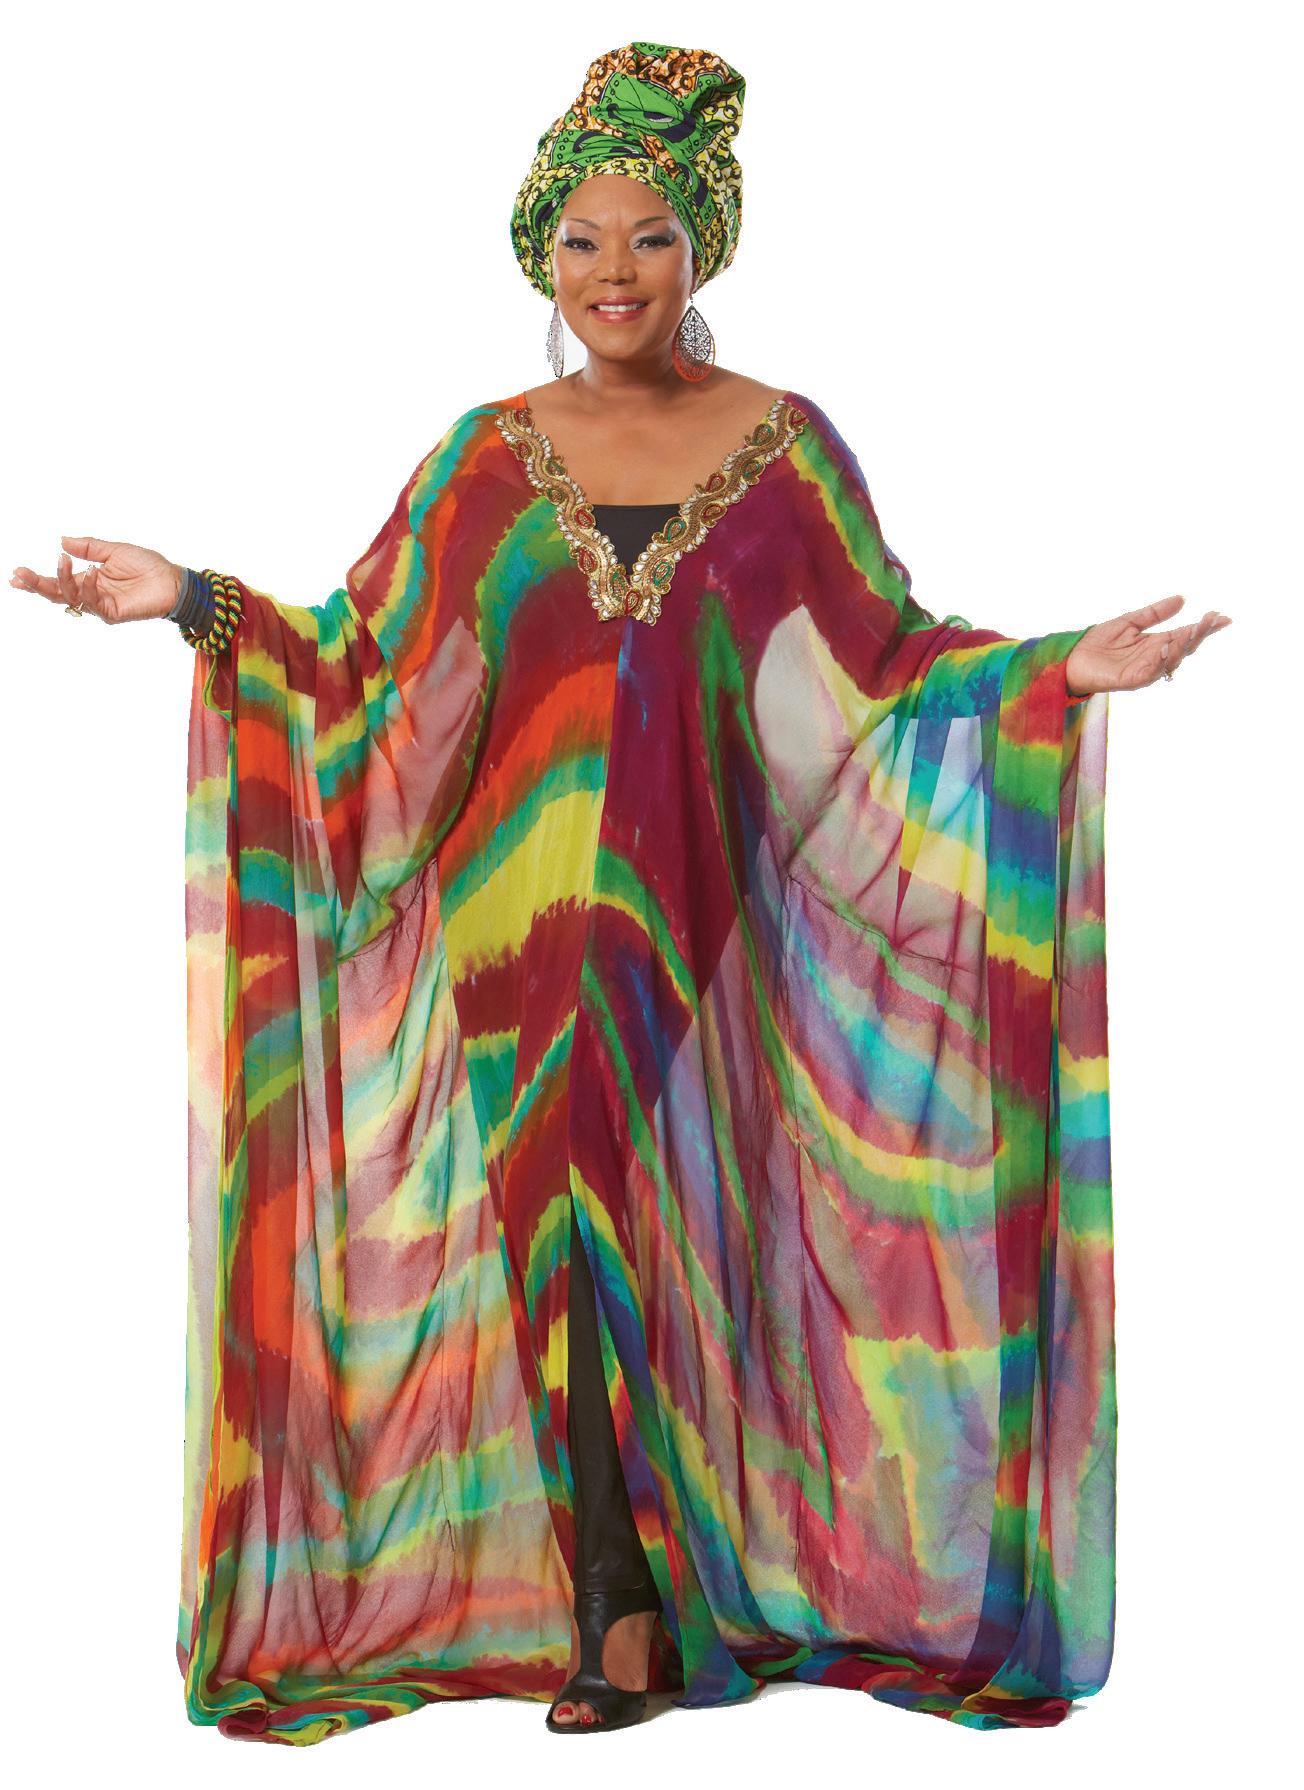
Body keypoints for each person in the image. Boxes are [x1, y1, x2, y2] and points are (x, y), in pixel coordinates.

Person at [11, 39, 1230, 1747]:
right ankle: (616, 1605)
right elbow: (361, 662)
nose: (613, 274)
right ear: (540, 252)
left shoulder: (785, 449)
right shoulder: (482, 458)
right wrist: (198, 600)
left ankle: (665, 1582)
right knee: (554, 1211)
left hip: (681, 908)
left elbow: (883, 659)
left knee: (644, 1213)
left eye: (649, 236)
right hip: (507, 918)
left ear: (700, 246)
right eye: (580, 240)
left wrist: (1054, 670)